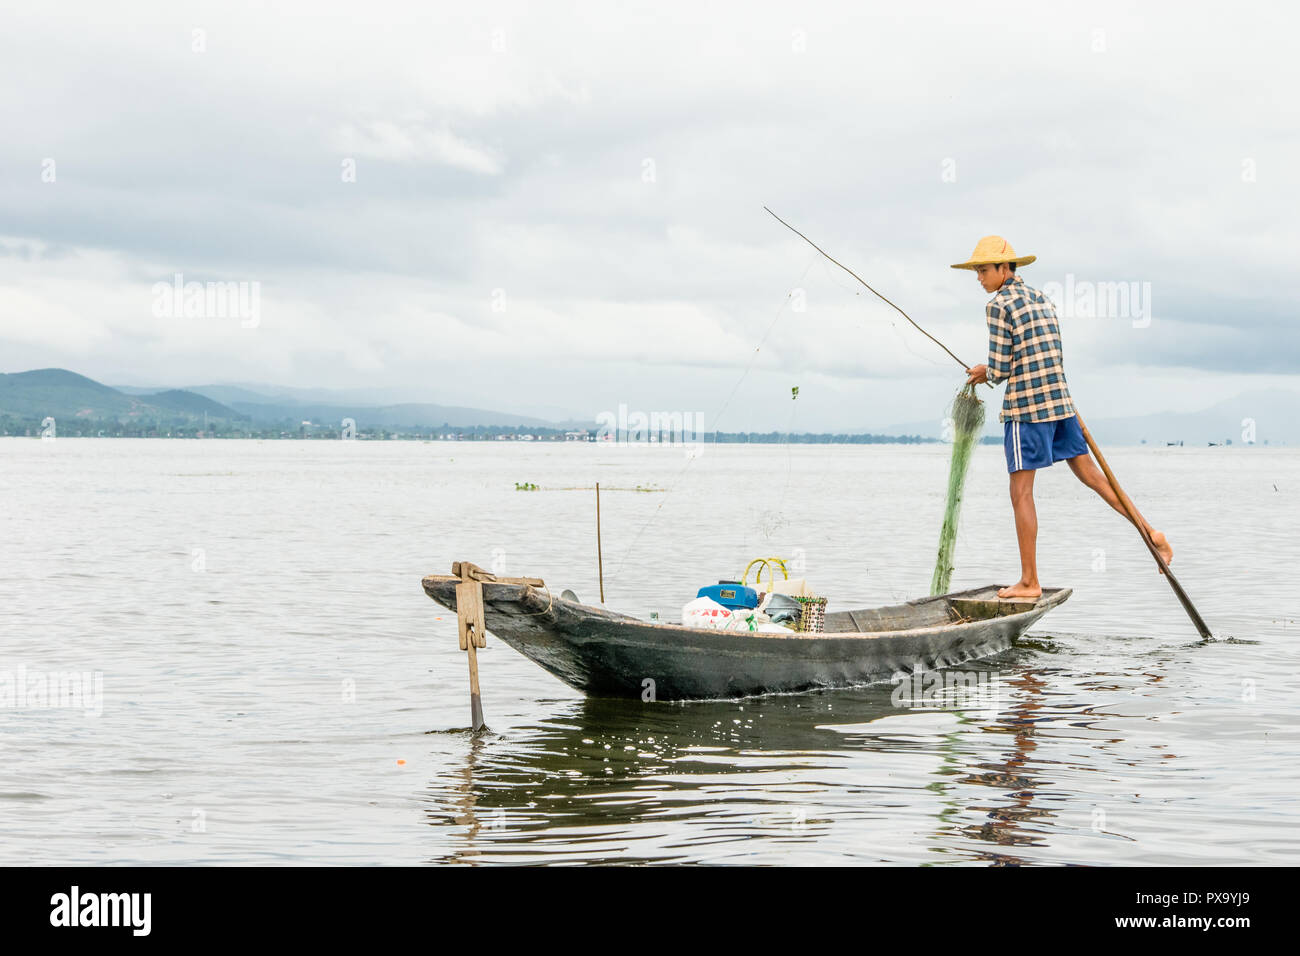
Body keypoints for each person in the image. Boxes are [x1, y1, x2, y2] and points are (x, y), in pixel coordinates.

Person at [952, 236, 1172, 599]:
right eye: (976, 270)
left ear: (1005, 269)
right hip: (1062, 405)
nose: (979, 277)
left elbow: (1003, 366)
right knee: (1095, 479)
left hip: (1028, 410)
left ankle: (1029, 582)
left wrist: (984, 372)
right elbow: (1047, 352)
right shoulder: (1043, 299)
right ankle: (1151, 534)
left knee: (1020, 492)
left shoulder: (997, 306)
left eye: (983, 270)